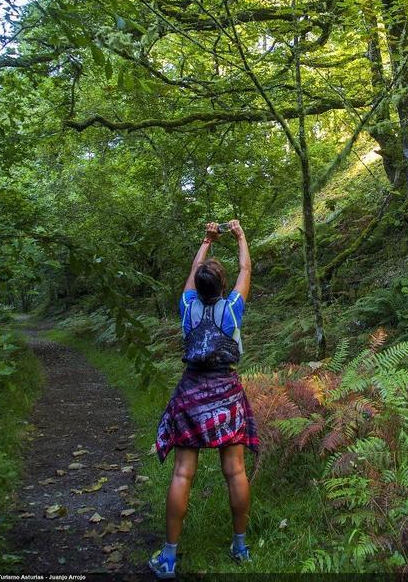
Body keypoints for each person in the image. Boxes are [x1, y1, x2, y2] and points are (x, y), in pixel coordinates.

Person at [148, 219, 259, 579]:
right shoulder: (231, 309)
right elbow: (246, 267)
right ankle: (239, 547)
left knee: (183, 472)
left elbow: (195, 271)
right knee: (235, 471)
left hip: (192, 393)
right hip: (226, 393)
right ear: (224, 286)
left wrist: (206, 241)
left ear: (196, 286)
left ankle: (168, 558)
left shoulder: (186, 305)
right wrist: (240, 236)